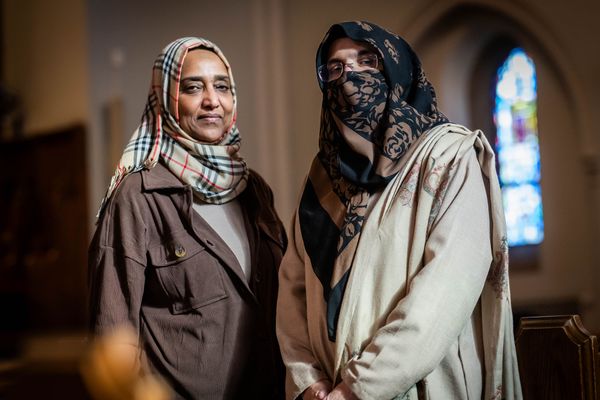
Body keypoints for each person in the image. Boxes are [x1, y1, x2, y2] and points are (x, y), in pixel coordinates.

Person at [276, 21, 522, 400]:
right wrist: (309, 383)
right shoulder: (321, 181)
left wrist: (357, 389)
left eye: (366, 60)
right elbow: (292, 293)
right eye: (336, 69)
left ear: (398, 70)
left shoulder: (448, 158)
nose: (349, 78)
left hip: (421, 386)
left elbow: (445, 290)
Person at [88, 37, 287, 400]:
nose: (212, 100)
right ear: (166, 99)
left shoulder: (255, 190)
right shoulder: (137, 195)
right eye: (193, 87)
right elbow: (113, 341)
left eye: (222, 86)